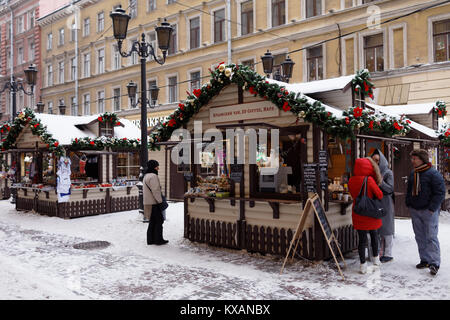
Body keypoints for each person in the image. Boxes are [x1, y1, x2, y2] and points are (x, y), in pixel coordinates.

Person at [406, 149, 445, 276]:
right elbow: (409, 190)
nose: (412, 161)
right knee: (420, 236)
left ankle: (434, 263)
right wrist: (409, 203)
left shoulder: (433, 174)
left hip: (429, 211)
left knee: (431, 237)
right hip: (415, 210)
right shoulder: (413, 173)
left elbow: (440, 193)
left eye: (414, 159)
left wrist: (432, 208)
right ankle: (425, 260)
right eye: (412, 159)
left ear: (422, 159)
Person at [348, 157, 384, 274]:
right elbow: (379, 195)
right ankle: (375, 260)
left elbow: (354, 194)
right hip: (371, 213)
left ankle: (362, 265)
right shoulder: (369, 180)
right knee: (374, 236)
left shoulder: (351, 180)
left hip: (358, 212)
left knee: (362, 240)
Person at [371, 149, 395, 263]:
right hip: (375, 203)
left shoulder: (388, 172)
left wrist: (380, 181)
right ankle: (378, 253)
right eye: (374, 160)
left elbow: (390, 189)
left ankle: (388, 253)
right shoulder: (370, 172)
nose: (376, 162)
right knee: (377, 229)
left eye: (377, 160)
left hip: (385, 203)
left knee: (387, 229)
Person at [143, 160, 168, 245]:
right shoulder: (153, 176)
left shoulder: (146, 176)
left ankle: (150, 240)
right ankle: (158, 240)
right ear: (153, 167)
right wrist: (160, 201)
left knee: (152, 221)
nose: (158, 168)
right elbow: (156, 191)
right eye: (157, 166)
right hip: (154, 203)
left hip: (148, 202)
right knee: (159, 221)